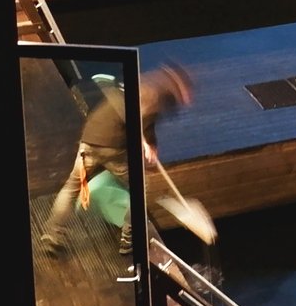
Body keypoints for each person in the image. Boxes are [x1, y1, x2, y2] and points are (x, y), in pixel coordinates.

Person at [40, 65, 192, 271]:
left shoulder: (141, 85)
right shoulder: (155, 95)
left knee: (72, 187)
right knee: (141, 187)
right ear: (174, 85)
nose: (186, 97)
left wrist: (150, 144)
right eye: (184, 92)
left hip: (89, 139)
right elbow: (139, 119)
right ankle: (129, 237)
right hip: (111, 147)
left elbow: (143, 124)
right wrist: (147, 143)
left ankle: (52, 233)